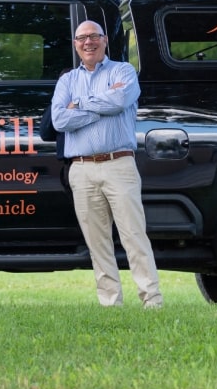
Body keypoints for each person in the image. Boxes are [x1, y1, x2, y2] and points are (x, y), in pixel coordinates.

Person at [51, 20, 162, 308]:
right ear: (75, 45)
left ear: (104, 41)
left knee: (134, 236)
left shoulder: (123, 71)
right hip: (82, 169)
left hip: (119, 165)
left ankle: (152, 301)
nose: (88, 42)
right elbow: (59, 120)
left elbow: (119, 101)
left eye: (94, 36)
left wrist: (80, 104)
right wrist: (101, 107)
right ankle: (111, 303)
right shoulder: (66, 81)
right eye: (81, 38)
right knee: (97, 242)